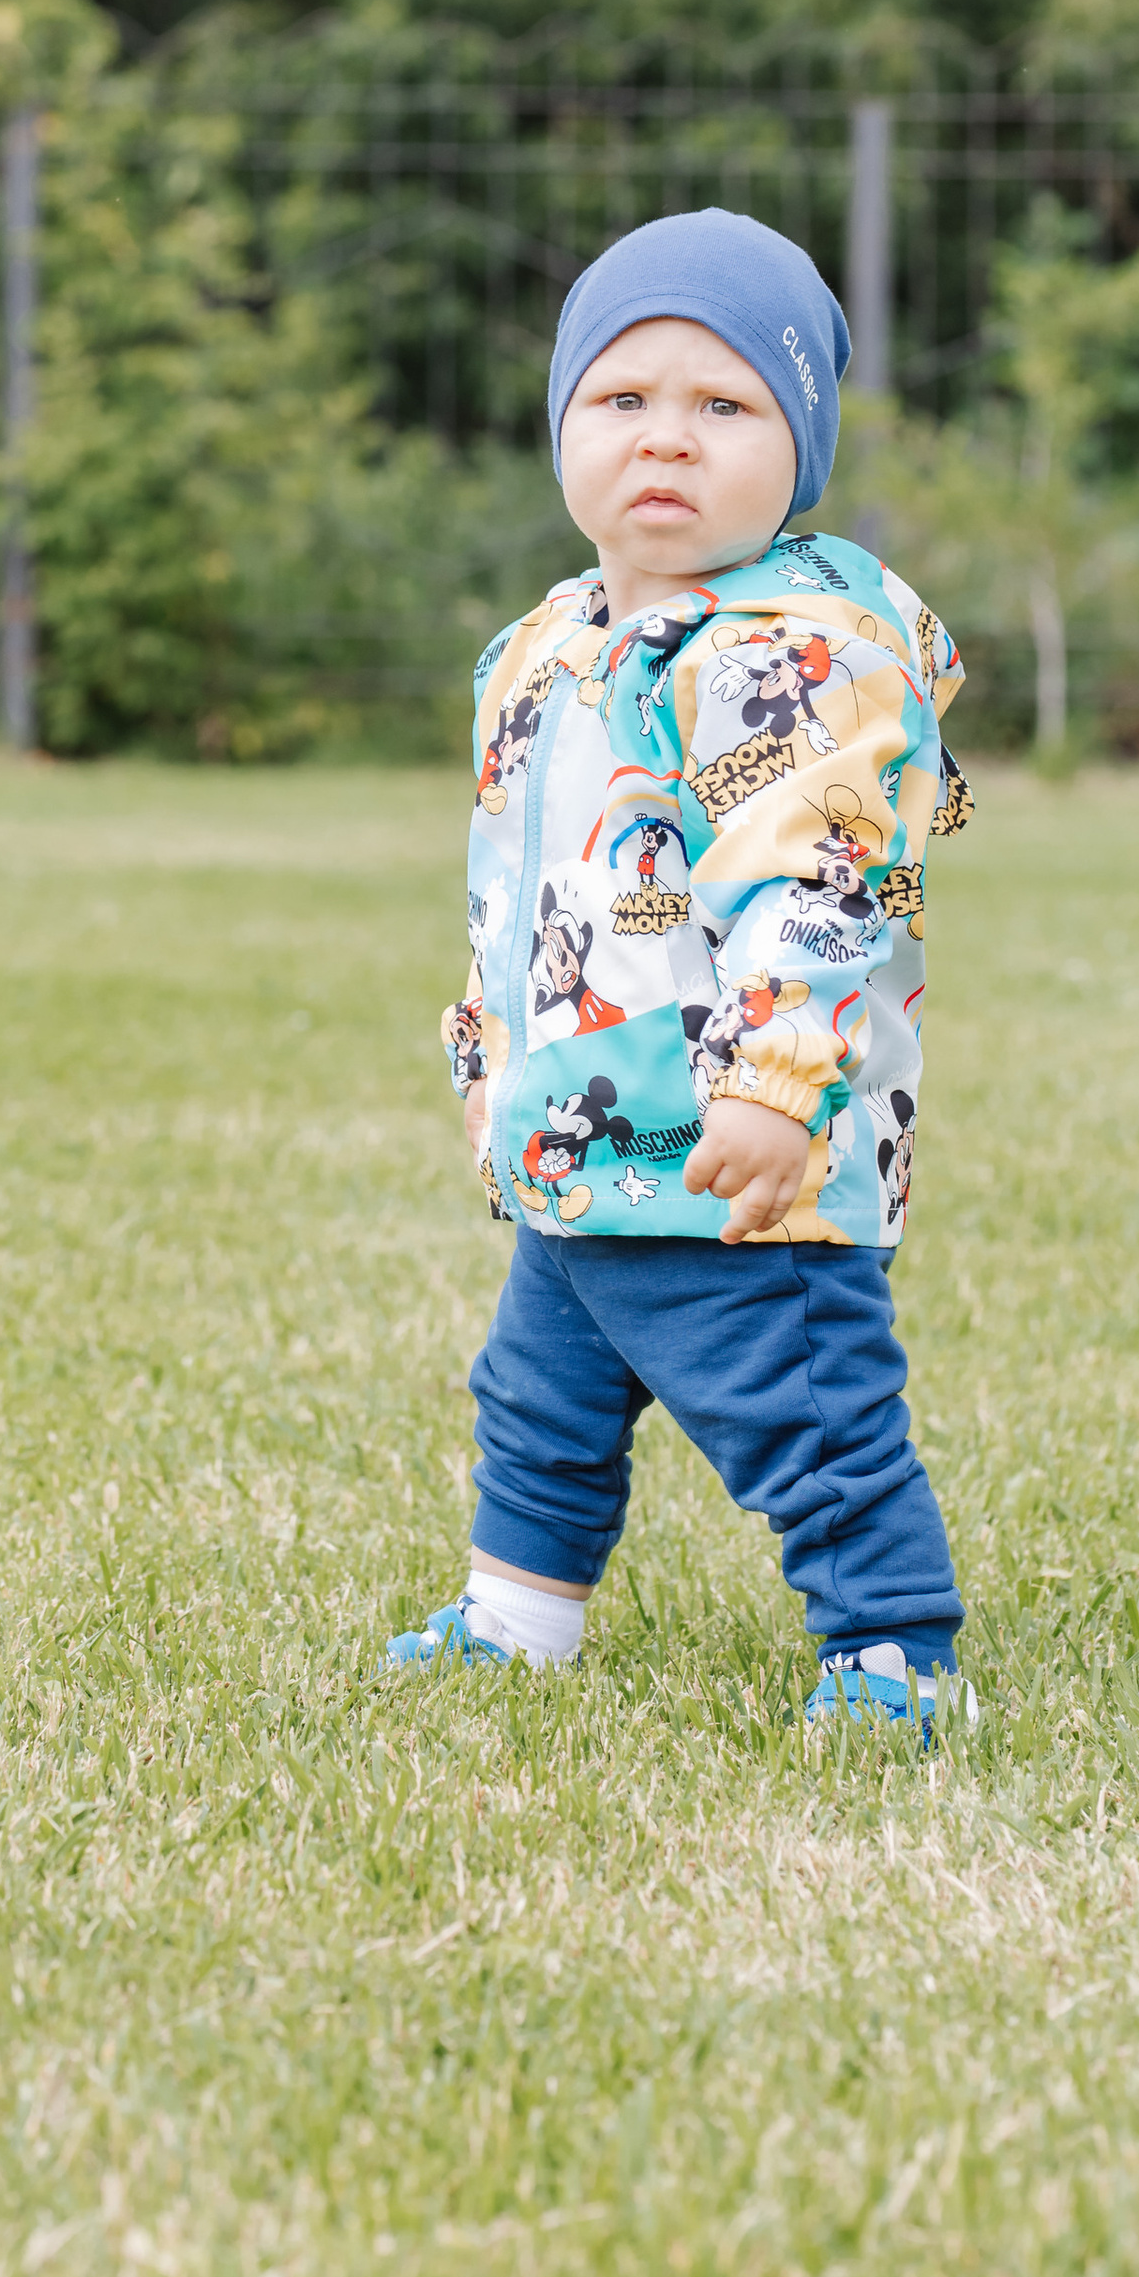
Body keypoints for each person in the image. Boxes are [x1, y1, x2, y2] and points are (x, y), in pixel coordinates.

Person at [394, 206, 973, 1735]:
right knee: (537, 1406)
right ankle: (517, 1620)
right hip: (582, 1124)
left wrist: (782, 1084)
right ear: (564, 428)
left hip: (739, 1151)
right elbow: (514, 892)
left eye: (725, 406)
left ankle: (894, 1649)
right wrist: (487, 1068)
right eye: (621, 400)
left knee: (803, 1407)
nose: (666, 439)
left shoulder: (790, 655)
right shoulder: (547, 645)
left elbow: (831, 879)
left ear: (800, 453)